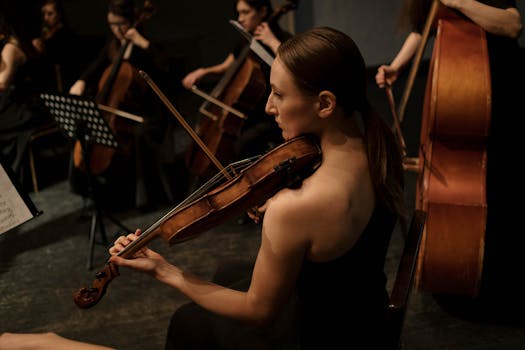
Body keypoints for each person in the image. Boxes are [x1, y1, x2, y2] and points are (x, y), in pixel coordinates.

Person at [0, 26, 407, 350]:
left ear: (325, 103)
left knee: (186, 323)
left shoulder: (297, 208)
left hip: (320, 337)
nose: (268, 107)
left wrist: (166, 270)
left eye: (279, 94)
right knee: (228, 270)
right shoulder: (380, 142)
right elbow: (338, 232)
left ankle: (47, 344)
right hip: (361, 314)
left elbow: (258, 311)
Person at [376, 0, 523, 313]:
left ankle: (499, 282)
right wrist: (397, 66)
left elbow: (511, 25)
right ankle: (462, 268)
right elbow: (422, 28)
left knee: (503, 185)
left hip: (501, 87)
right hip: (467, 85)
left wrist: (460, 1)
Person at [68, 0, 180, 211]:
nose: (117, 30)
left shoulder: (145, 45)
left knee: (138, 136)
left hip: (149, 112)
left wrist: (141, 41)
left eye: (121, 24)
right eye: (112, 24)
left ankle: (143, 197)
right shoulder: (113, 46)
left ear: (132, 21)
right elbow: (95, 67)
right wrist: (81, 81)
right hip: (119, 112)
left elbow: (168, 66)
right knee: (86, 131)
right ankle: (98, 191)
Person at [182, 0, 293, 171]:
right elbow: (227, 65)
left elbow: (295, 65)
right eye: (239, 13)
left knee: (241, 145)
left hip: (271, 114)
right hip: (247, 114)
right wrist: (202, 72)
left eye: (245, 12)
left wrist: (271, 41)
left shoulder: (283, 39)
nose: (240, 18)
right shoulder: (245, 42)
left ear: (262, 11)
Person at [0, 10, 54, 189]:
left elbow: (2, 84)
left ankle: (8, 183)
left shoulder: (10, 49)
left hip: (25, 110)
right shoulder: (31, 43)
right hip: (37, 104)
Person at [31, 0, 79, 93]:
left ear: (59, 15)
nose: (46, 18)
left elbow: (59, 57)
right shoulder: (46, 31)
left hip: (62, 78)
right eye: (44, 14)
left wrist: (43, 48)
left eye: (50, 14)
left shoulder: (65, 33)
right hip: (47, 76)